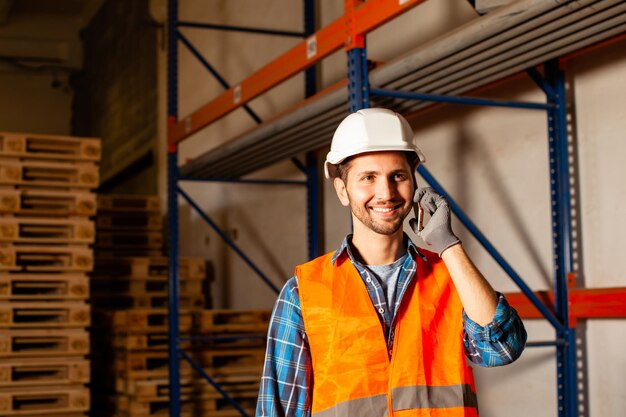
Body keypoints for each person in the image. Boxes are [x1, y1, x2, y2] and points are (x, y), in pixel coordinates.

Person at [256, 108, 526, 417]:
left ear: (413, 181)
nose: (386, 192)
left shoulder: (451, 277)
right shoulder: (303, 294)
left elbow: (502, 349)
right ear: (343, 191)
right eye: (368, 178)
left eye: (397, 176)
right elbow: (278, 409)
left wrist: (448, 246)